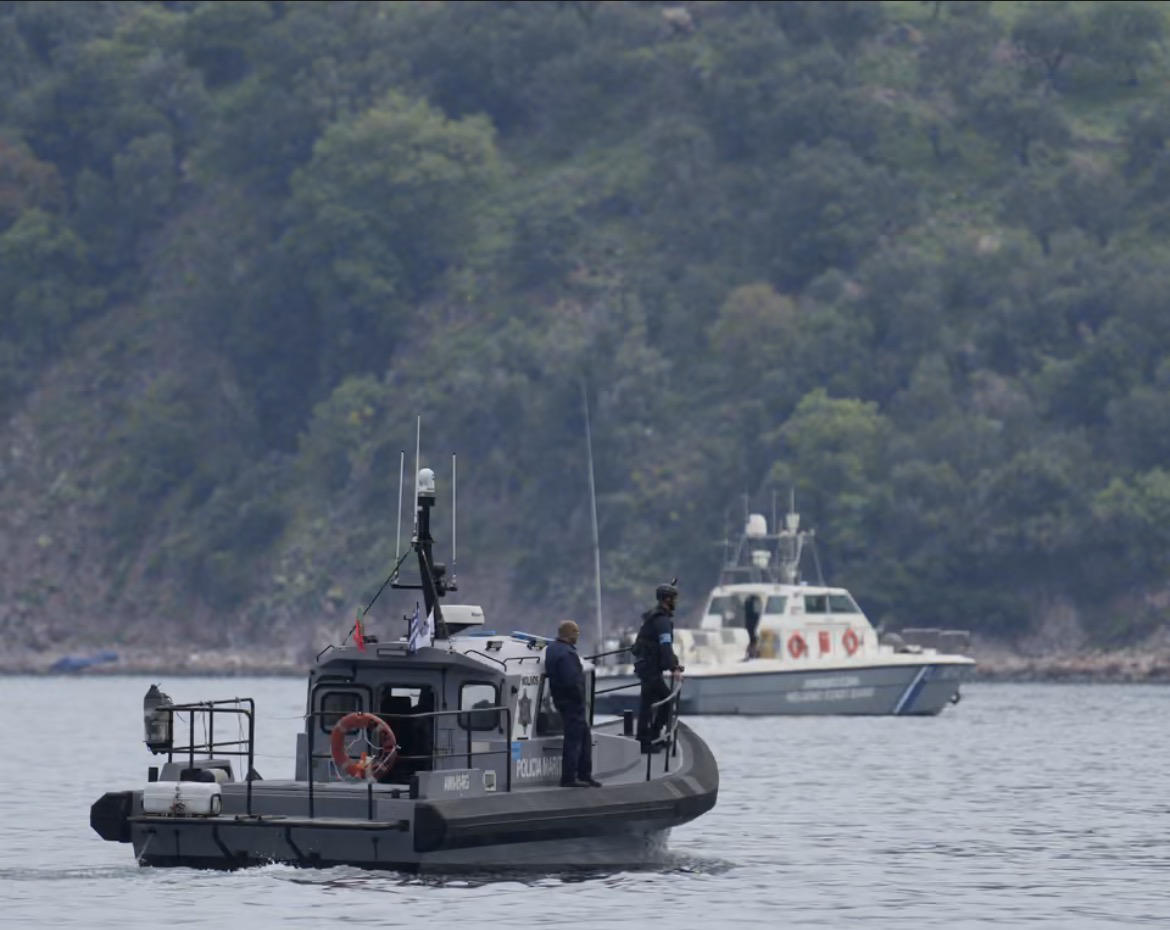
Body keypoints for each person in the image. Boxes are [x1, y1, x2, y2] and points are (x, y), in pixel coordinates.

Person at [544, 619, 601, 788]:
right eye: (576, 633)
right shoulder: (567, 654)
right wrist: (580, 698)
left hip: (560, 700)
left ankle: (584, 774)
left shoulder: (552, 649)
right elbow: (572, 681)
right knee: (574, 739)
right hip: (572, 703)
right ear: (570, 635)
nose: (578, 636)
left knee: (583, 736)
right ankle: (569, 777)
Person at [633, 583, 684, 752]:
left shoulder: (656, 617)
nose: (676, 602)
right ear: (667, 599)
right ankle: (647, 739)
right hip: (649, 669)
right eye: (674, 598)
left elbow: (663, 647)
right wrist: (674, 668)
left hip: (647, 666)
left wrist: (673, 664)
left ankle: (650, 737)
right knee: (665, 702)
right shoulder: (661, 621)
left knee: (649, 702)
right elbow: (665, 646)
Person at [744, 595, 761, 660]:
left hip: (750, 626)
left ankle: (752, 653)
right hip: (751, 626)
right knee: (752, 638)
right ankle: (752, 653)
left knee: (752, 638)